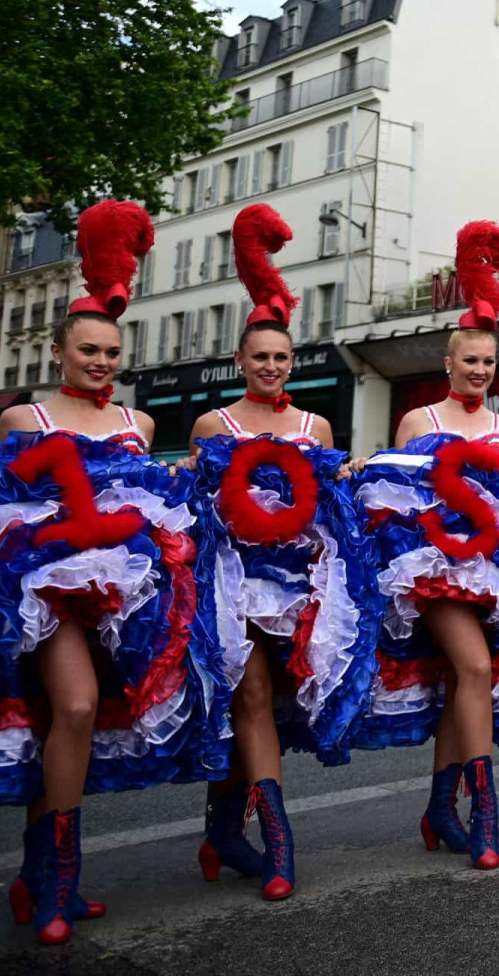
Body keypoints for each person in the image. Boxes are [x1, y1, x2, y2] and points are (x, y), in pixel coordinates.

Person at [0, 202, 197, 943]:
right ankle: (55, 879)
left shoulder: (139, 426)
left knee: (67, 722)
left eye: (111, 353)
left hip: (126, 599)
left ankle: (42, 875)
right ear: (58, 351)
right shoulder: (25, 419)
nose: (101, 361)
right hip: (46, 594)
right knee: (78, 708)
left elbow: (157, 508)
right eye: (88, 349)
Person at [366, 221, 499, 869]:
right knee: (473, 669)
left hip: (493, 568)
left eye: (488, 362)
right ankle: (483, 811)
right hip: (436, 564)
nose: (478, 369)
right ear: (447, 363)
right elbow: (397, 496)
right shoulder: (420, 420)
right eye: (468, 360)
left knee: (462, 682)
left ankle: (441, 806)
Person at [185, 205, 347, 898]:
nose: (273, 367)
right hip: (232, 580)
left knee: (272, 702)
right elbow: (198, 509)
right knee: (248, 692)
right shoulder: (211, 423)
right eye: (261, 358)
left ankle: (223, 829)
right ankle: (280, 843)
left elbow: (335, 507)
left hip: (298, 583)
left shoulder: (315, 423)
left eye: (282, 358)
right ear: (239, 361)